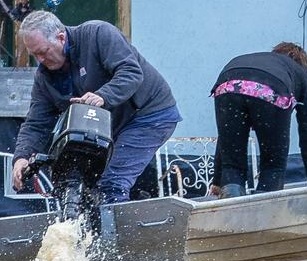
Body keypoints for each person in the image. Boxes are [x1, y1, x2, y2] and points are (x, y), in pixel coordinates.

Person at [9, 11, 181, 208]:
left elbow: (131, 73)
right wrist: (21, 157)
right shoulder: (44, 78)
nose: (40, 60)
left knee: (113, 183)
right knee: (84, 189)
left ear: (61, 37)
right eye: (34, 55)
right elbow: (36, 123)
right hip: (111, 128)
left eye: (43, 51)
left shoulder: (99, 34)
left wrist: (103, 96)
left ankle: (117, 238)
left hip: (149, 115)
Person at [210, 42, 307, 197]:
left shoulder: (262, 60)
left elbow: (226, 139)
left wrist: (217, 180)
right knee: (273, 165)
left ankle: (232, 214)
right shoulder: (300, 74)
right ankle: (265, 215)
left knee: (233, 165)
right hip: (270, 89)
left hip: (227, 84)